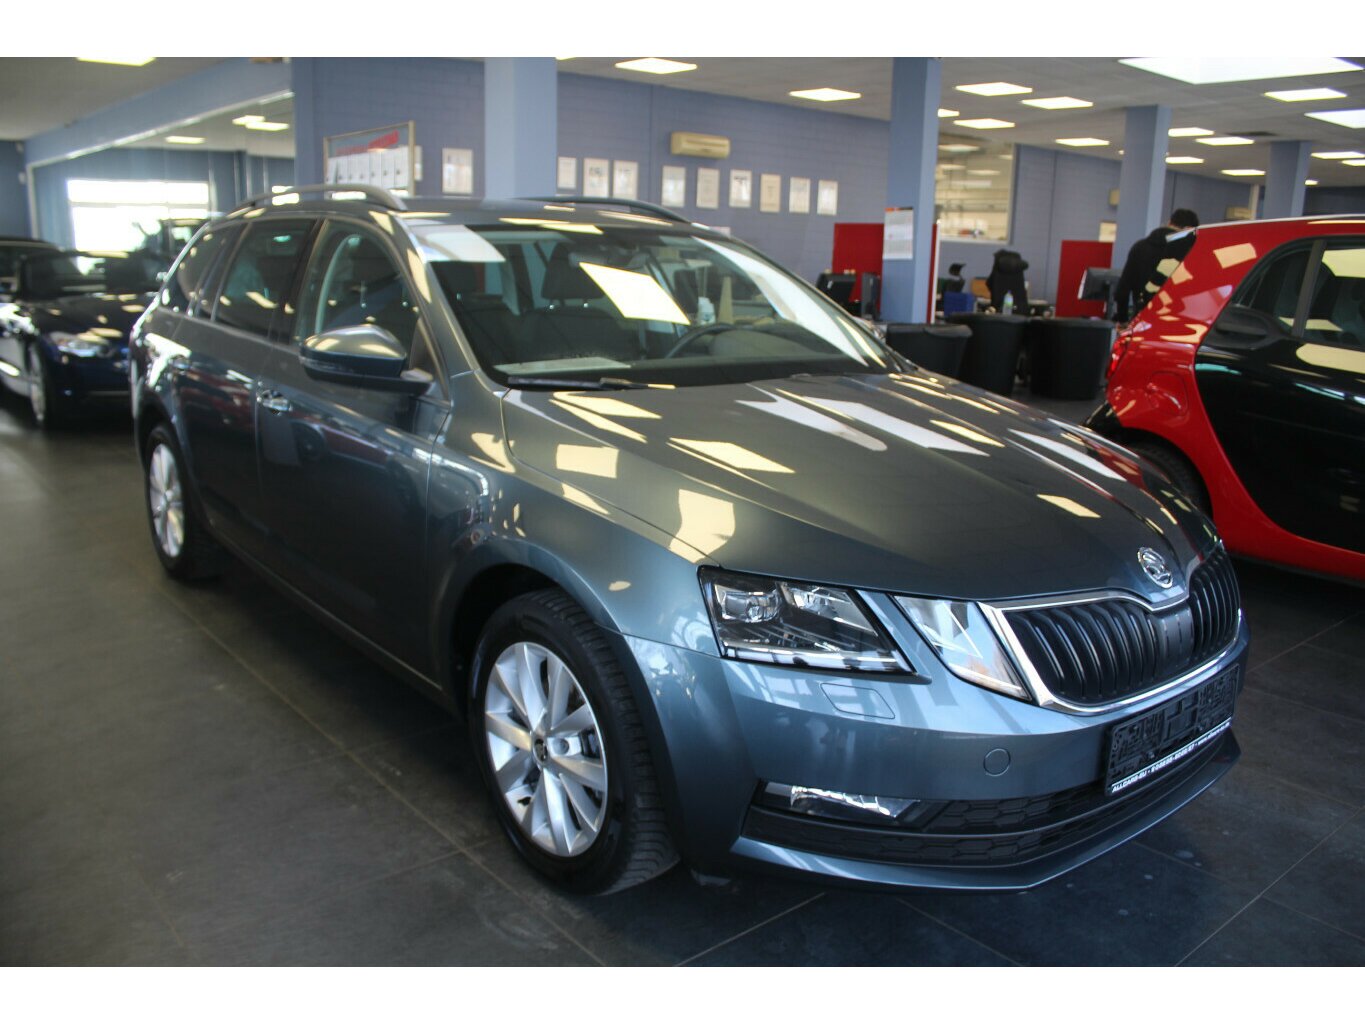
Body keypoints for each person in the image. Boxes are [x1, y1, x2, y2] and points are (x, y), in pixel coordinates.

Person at [1113, 208, 1199, 322]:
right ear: (1190, 230)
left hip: (1142, 319)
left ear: (1169, 222)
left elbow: (1122, 290)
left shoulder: (1140, 247)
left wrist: (1122, 319)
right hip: (1175, 320)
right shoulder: (1190, 253)